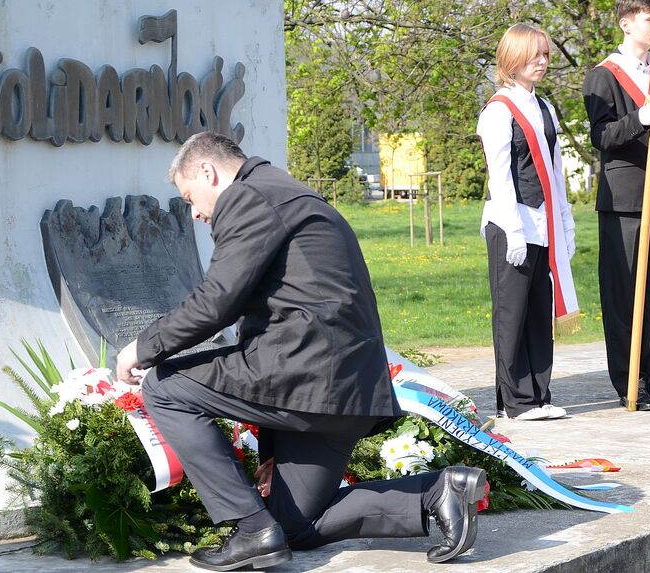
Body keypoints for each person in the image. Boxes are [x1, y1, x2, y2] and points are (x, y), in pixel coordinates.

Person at [115, 132, 486, 571]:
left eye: (189, 197)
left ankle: (249, 528)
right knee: (292, 528)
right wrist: (272, 449)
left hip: (310, 375)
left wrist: (142, 348)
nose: (194, 212)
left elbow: (218, 301)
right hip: (343, 390)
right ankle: (437, 492)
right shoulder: (283, 191)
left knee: (162, 386)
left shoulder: (248, 197)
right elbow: (275, 319)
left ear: (207, 171)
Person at [582, 0, 650, 411]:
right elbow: (602, 137)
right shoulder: (604, 75)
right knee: (626, 295)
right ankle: (630, 383)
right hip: (626, 199)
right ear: (626, 23)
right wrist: (640, 118)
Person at [478, 23, 577, 421]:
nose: (542, 62)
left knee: (539, 310)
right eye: (533, 55)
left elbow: (556, 172)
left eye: (546, 55)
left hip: (544, 222)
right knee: (512, 312)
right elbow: (500, 176)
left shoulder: (546, 107)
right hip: (510, 223)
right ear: (512, 60)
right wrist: (514, 230)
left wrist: (565, 224)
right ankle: (515, 401)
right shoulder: (499, 110)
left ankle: (539, 395)